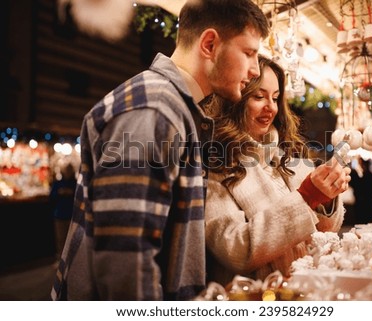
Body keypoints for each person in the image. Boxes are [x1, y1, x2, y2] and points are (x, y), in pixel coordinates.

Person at [51, 0, 269, 301]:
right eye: (249, 53)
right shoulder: (155, 108)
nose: (255, 70)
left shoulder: (172, 106)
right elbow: (126, 258)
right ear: (209, 44)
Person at [203, 55, 351, 286]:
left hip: (301, 289)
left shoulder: (288, 155)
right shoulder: (215, 165)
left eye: (275, 98)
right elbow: (236, 250)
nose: (270, 107)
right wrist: (306, 198)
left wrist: (326, 198)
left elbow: (325, 231)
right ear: (234, 100)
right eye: (258, 96)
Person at [49, 162, 77, 259]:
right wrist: (60, 192)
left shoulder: (75, 183)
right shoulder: (58, 183)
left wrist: (71, 193)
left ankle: (71, 259)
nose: (68, 172)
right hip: (60, 214)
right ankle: (61, 259)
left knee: (73, 239)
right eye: (66, 169)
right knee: (60, 239)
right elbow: (52, 196)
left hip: (72, 215)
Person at [349, 158, 372, 224]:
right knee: (371, 225)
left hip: (360, 204)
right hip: (370, 204)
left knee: (360, 224)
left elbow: (350, 184)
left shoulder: (356, 176)